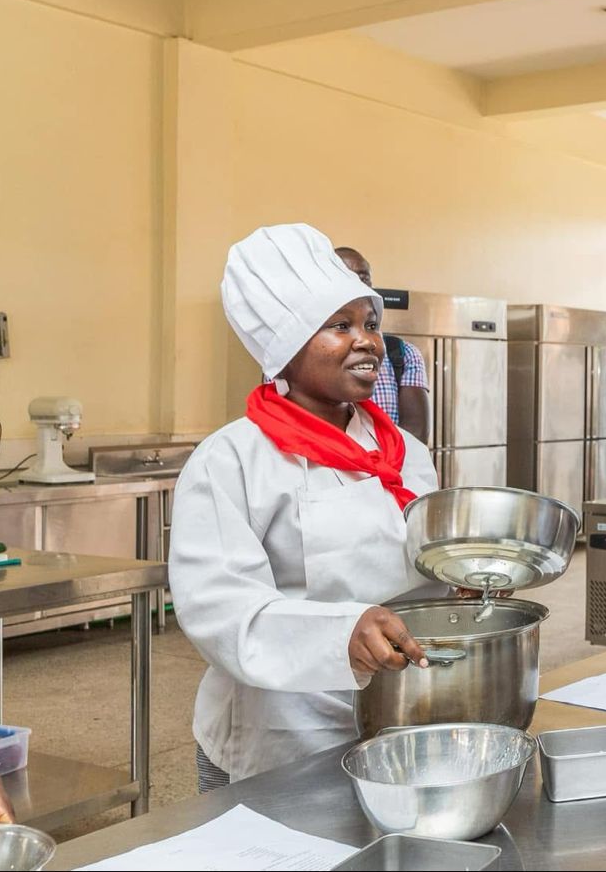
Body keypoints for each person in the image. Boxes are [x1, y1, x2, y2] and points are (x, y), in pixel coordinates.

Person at [171, 224, 441, 792]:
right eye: (339, 326)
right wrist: (340, 632)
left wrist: (457, 582)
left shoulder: (404, 454)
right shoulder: (234, 459)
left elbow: (417, 573)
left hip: (397, 719)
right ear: (284, 350)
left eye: (369, 323)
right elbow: (220, 610)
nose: (367, 340)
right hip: (280, 735)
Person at [330, 247, 430, 444]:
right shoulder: (294, 356)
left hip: (388, 470)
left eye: (363, 279)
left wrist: (374, 471)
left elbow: (416, 435)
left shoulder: (402, 354)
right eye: (343, 277)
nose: (355, 286)